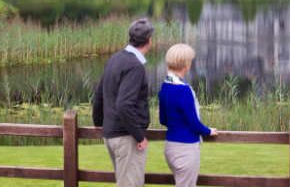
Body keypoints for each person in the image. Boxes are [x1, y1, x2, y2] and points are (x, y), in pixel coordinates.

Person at [93, 18, 154, 187]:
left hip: (111, 134)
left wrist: (98, 122)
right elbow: (124, 104)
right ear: (149, 40)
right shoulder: (135, 66)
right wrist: (139, 136)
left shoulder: (115, 58)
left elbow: (99, 94)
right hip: (126, 137)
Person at [158, 43, 218, 187]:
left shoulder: (165, 86)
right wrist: (209, 131)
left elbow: (163, 119)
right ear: (186, 65)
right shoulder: (183, 90)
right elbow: (193, 123)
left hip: (170, 147)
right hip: (185, 149)